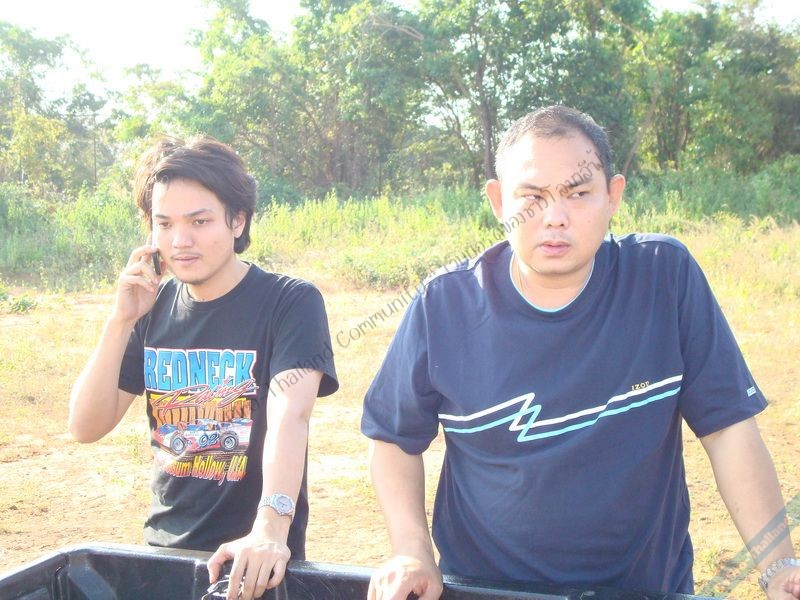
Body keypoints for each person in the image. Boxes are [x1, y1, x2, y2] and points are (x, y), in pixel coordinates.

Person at [361, 106, 800, 600]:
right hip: (487, 589)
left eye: (577, 193)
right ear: (499, 201)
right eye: (532, 197)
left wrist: (778, 565)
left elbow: (728, 429)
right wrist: (411, 550)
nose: (555, 217)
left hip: (643, 590)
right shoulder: (443, 305)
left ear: (613, 196)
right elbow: (394, 438)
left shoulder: (664, 277)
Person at [69, 136, 338, 600]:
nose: (180, 241)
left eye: (199, 221)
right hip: (163, 558)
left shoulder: (290, 302)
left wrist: (270, 527)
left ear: (238, 220)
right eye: (164, 224)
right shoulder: (151, 308)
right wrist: (120, 320)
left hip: (254, 562)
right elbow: (85, 427)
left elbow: (289, 416)